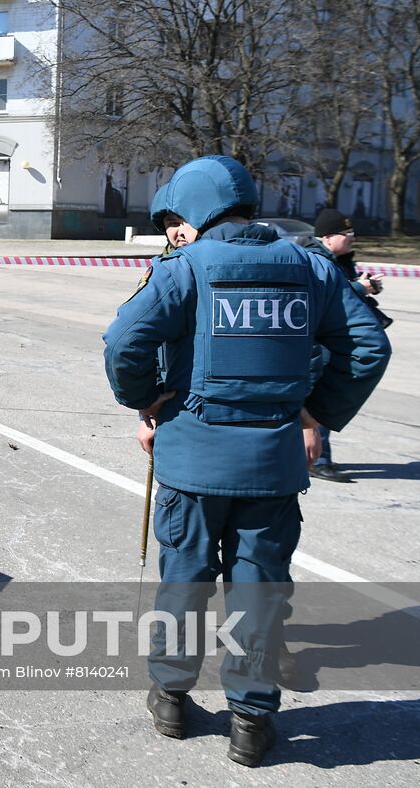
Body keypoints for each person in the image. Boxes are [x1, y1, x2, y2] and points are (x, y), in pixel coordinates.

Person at [103, 155, 391, 768]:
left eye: (177, 218)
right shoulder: (311, 267)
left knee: (183, 580)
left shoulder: (186, 269)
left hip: (192, 461)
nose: (174, 231)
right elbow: (367, 345)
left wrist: (145, 402)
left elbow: (125, 341)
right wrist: (317, 412)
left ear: (197, 212)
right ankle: (252, 722)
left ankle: (172, 699)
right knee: (257, 590)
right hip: (273, 464)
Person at [305, 207, 390, 482]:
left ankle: (318, 456)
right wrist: (359, 289)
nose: (352, 238)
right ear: (327, 237)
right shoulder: (316, 259)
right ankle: (317, 459)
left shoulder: (338, 259)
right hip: (321, 344)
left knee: (323, 398)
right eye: (347, 233)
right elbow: (324, 296)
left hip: (333, 342)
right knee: (322, 398)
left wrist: (366, 288)